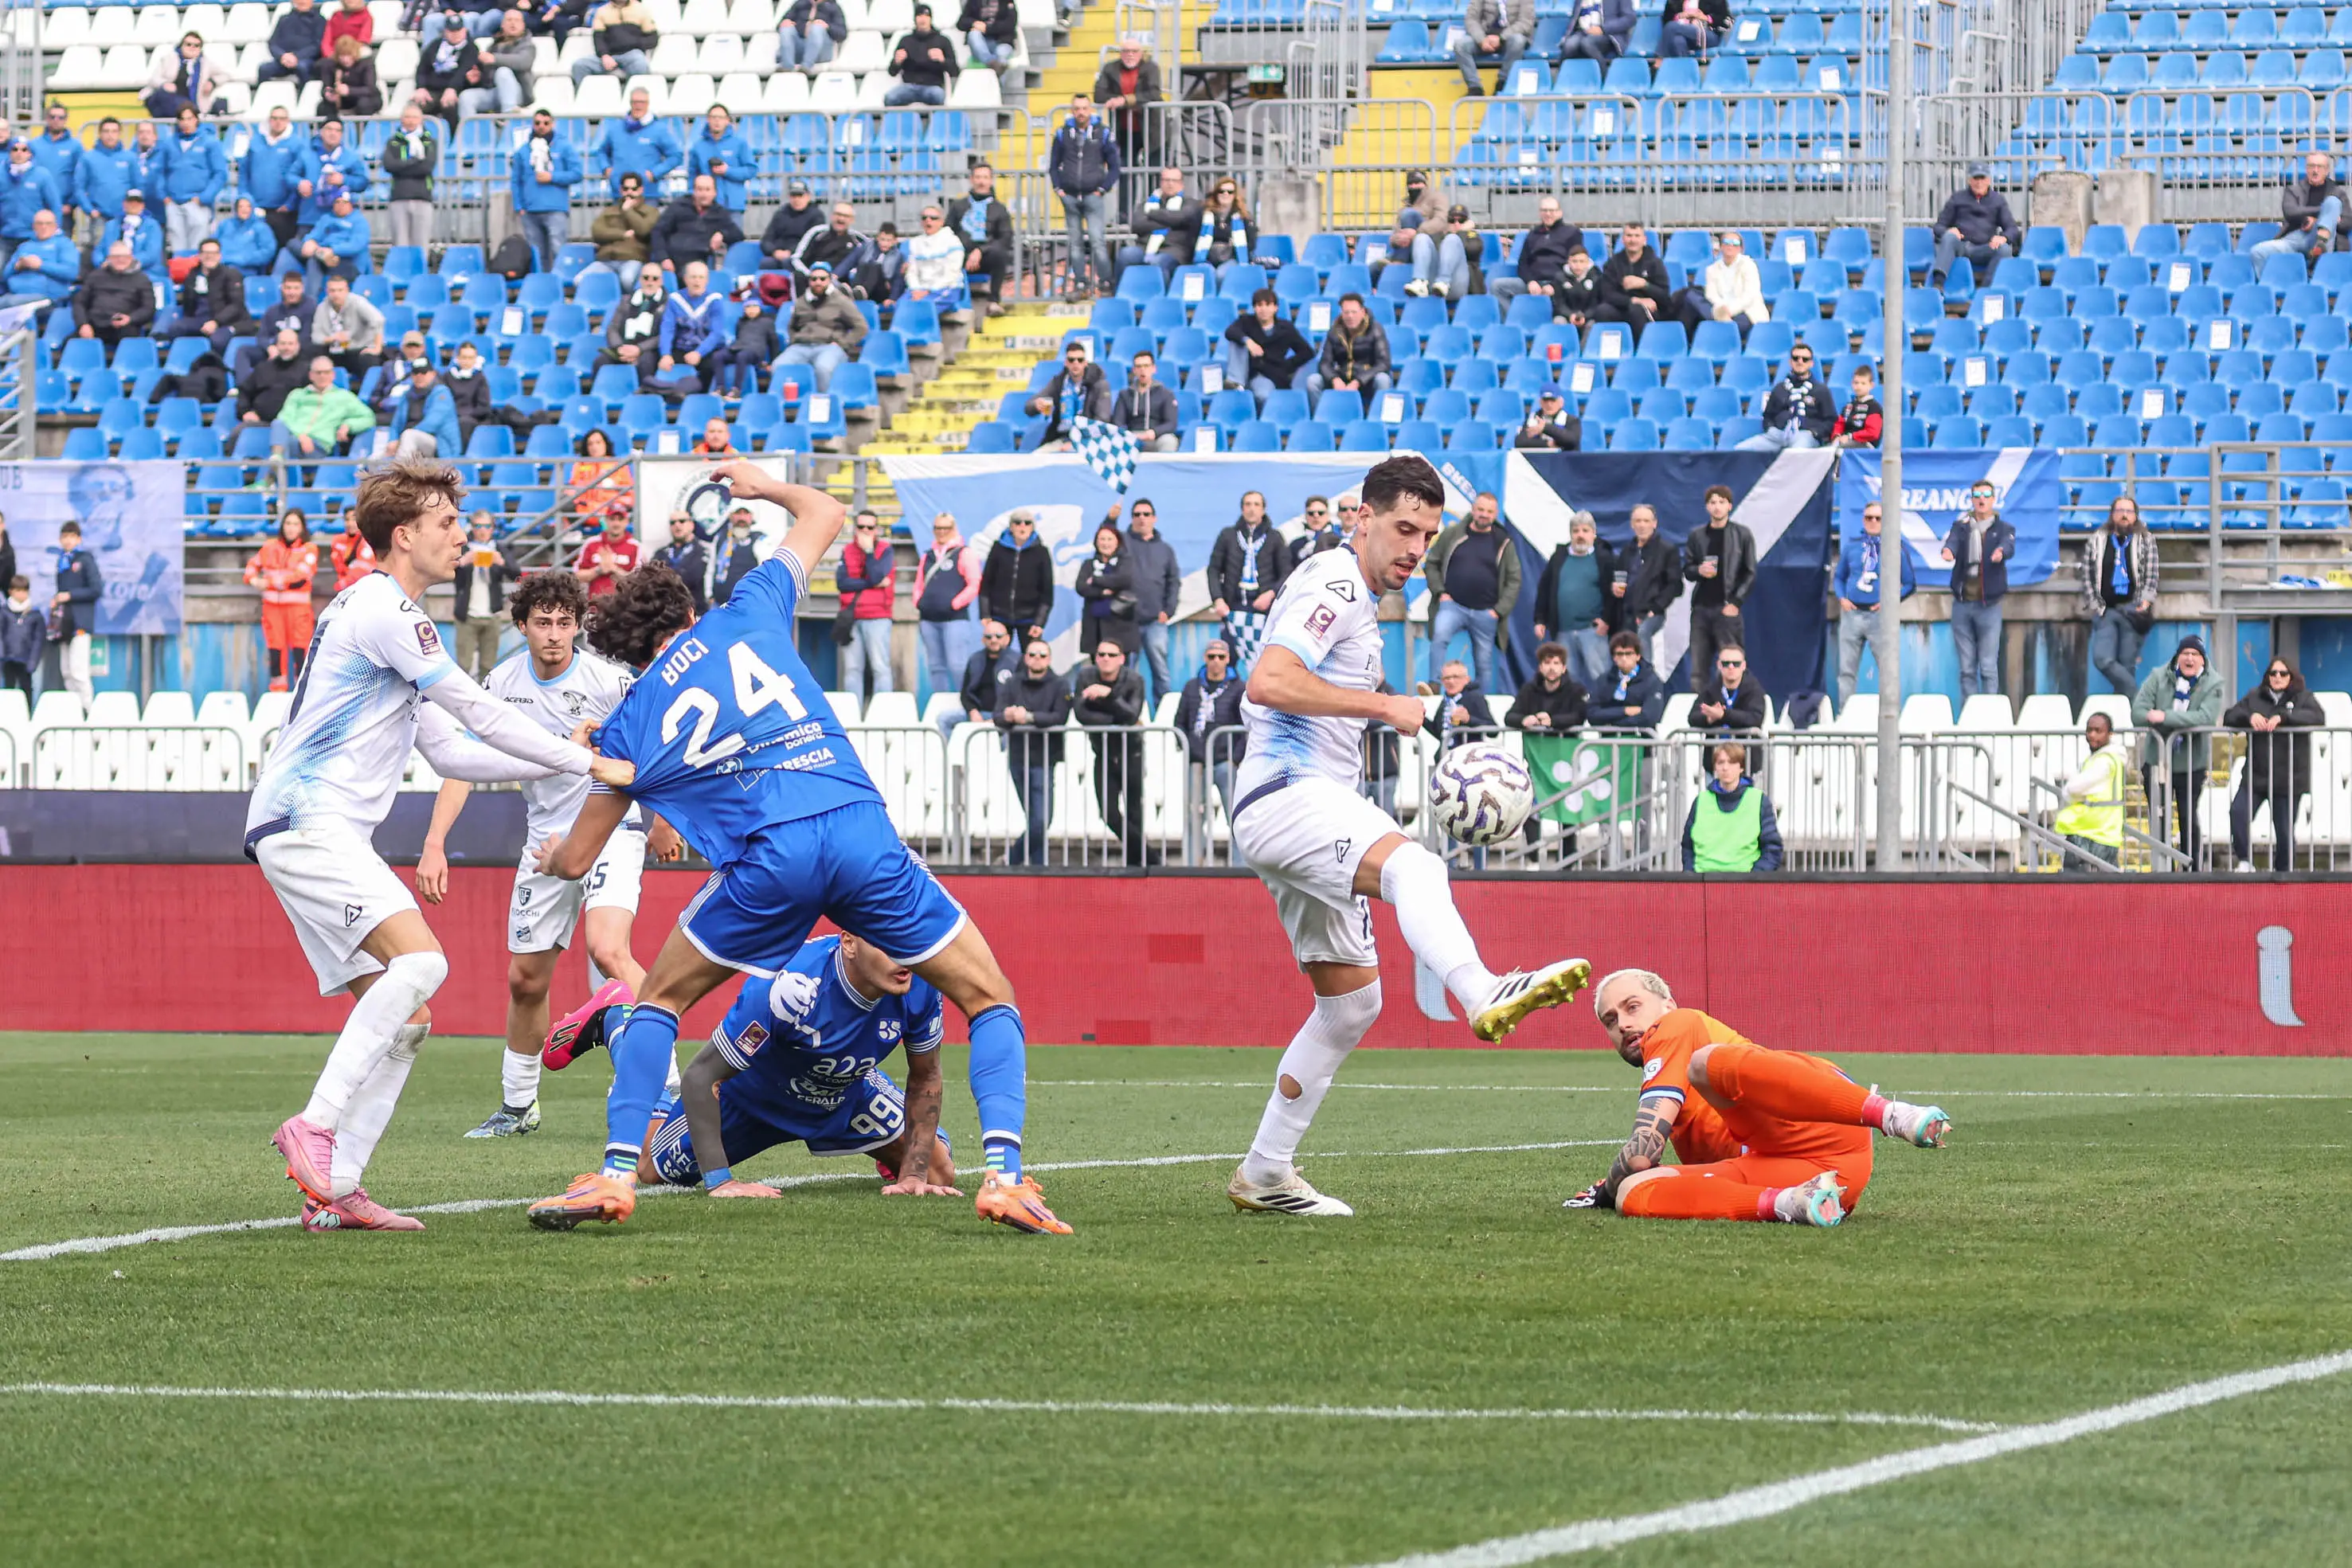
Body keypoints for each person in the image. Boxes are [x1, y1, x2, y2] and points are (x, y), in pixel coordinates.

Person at [522, 466, 1070, 1234]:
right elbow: (825, 508)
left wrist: (549, 854)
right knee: (989, 997)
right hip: (853, 826)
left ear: (624, 658)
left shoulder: (628, 721)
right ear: (687, 605)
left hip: (767, 860)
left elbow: (576, 860)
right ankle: (1007, 1177)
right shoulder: (748, 605)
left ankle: (614, 1176)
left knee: (661, 1001)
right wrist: (755, 483)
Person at [251, 457, 628, 1232]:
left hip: (295, 828)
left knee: (411, 1014)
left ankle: (340, 1189)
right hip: (307, 821)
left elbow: (456, 752)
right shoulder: (392, 611)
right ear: (404, 535)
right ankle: (315, 1126)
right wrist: (588, 759)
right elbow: (476, 710)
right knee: (423, 962)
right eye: (447, 523)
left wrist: (563, 745)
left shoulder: (380, 617)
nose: (462, 535)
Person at [1225, 455, 1590, 1218]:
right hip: (1287, 793)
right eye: (1401, 528)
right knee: (1415, 868)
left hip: (1294, 800)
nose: (1413, 548)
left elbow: (1313, 688)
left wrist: (1392, 702)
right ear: (1361, 515)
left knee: (1350, 1006)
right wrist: (1384, 708)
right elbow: (1268, 681)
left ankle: (1264, 1171)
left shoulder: (1356, 592)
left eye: (1426, 535)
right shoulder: (1333, 582)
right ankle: (1482, 989)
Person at [417, 569, 682, 1140]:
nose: (555, 634)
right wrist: (435, 842)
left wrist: (660, 820)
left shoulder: (609, 680)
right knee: (525, 979)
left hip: (610, 828)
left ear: (579, 625)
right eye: (543, 622)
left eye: (566, 622)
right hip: (544, 842)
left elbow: (652, 750)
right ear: (521, 626)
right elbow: (463, 764)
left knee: (609, 950)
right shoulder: (500, 683)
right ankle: (518, 1106)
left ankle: (669, 1084)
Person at [1566, 970, 1949, 1225]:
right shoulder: (1676, 1091)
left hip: (1826, 1121)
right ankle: (1792, 1204)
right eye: (1610, 1021)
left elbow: (1641, 1154)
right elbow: (1640, 1173)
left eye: (1632, 1007)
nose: (1625, 1025)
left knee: (1705, 1063)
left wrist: (1605, 1187)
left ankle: (1891, 1114)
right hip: (1820, 1178)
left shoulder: (1677, 1024)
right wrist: (1616, 1189)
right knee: (1634, 1193)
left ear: (1668, 1005)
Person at [639, 933, 957, 1192]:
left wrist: (913, 1176)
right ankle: (646, 1065)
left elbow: (926, 1074)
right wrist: (721, 1182)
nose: (903, 956)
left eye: (908, 941)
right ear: (849, 943)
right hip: (751, 1102)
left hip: (843, 1093)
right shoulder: (788, 988)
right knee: (651, 1172)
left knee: (938, 1174)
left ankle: (887, 1151)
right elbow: (701, 1076)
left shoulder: (922, 983)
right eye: (887, 944)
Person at [2225, 658, 2324, 874]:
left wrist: (2284, 718)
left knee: (2284, 832)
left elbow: (2318, 716)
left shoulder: (2303, 698)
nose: (2277, 677)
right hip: (2256, 775)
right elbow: (2230, 716)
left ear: (2291, 676)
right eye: (2273, 673)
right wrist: (2249, 716)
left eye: (2283, 673)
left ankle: (2284, 874)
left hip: (2288, 779)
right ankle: (2244, 860)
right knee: (2238, 812)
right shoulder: (2255, 696)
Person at [2133, 633, 2222, 866]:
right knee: (2159, 818)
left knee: (2187, 817)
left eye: (2195, 654)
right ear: (2178, 656)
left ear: (2203, 660)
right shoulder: (2158, 676)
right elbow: (2138, 713)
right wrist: (2178, 720)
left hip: (2192, 763)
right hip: (2157, 761)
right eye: (2185, 653)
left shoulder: (2213, 683)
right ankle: (2163, 869)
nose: (2190, 659)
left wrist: (2164, 717)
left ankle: (2191, 870)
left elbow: (2206, 717)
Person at [1423, 491, 1515, 693]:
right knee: (1439, 638)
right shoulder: (1453, 534)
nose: (1484, 514)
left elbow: (1514, 580)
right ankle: (1434, 686)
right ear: (1473, 510)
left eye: (1489, 511)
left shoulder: (1503, 542)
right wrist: (1441, 593)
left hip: (1486, 612)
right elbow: (1432, 564)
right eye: (1480, 509)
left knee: (1483, 661)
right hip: (1453, 605)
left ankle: (1479, 700)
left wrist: (1498, 611)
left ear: (1496, 514)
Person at [1833, 499, 1916, 707]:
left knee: (1888, 670)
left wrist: (1889, 603)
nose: (1873, 522)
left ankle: (1889, 717)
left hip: (1880, 617)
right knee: (1846, 671)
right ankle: (1845, 715)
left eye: (1878, 518)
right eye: (1869, 518)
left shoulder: (1895, 548)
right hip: (1852, 614)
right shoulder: (1852, 547)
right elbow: (1839, 576)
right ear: (1863, 519)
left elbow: (1909, 583)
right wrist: (1842, 597)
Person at [1940, 478, 2014, 700]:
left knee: (1989, 666)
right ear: (1972, 500)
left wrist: (2001, 552)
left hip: (1989, 606)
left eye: (1986, 496)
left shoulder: (2003, 528)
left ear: (1993, 500)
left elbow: (2008, 545)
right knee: (1966, 668)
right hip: (1962, 605)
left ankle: (1989, 715)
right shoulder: (1961, 527)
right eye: (1977, 496)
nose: (1981, 501)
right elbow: (1952, 541)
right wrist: (1948, 551)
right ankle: (1969, 716)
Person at [1075, 638, 1148, 865]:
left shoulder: (1134, 679)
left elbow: (1132, 715)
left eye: (1112, 655)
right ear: (1095, 657)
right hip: (1103, 753)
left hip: (1131, 752)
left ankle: (1136, 864)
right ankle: (1152, 857)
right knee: (1108, 813)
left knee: (1135, 813)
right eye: (1102, 654)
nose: (1106, 659)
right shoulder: (1085, 676)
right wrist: (1114, 721)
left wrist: (1109, 695)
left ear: (1122, 659)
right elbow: (1081, 714)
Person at [2080, 494, 2157, 696]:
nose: (2124, 515)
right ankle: (2136, 695)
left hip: (2133, 610)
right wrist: (2095, 605)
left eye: (2129, 511)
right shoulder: (2097, 540)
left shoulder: (2146, 540)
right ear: (2112, 515)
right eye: (2120, 511)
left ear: (2136, 516)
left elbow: (2152, 575)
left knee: (2127, 664)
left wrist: (2145, 603)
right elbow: (2087, 575)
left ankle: (2124, 719)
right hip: (2106, 610)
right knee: (2102, 659)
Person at [1175, 638, 1244, 855]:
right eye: (1212, 656)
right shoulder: (1191, 686)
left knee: (1234, 817)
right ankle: (1193, 865)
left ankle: (1239, 866)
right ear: (1205, 658)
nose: (1216, 661)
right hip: (1197, 762)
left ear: (1228, 660)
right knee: (1193, 815)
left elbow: (1247, 728)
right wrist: (1192, 751)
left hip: (1226, 762)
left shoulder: (1239, 688)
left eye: (1221, 657)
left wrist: (1235, 758)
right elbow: (1180, 723)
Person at [1682, 483, 1754, 693]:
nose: (1717, 507)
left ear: (1730, 506)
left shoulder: (1742, 534)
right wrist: (1699, 570)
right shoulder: (1697, 535)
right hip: (1701, 610)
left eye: (1721, 502)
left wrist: (1736, 602)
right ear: (1706, 507)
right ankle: (1701, 713)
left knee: (1732, 666)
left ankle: (1732, 709)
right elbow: (1687, 570)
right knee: (1698, 669)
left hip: (1727, 610)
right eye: (1712, 503)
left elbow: (1750, 573)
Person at [1209, 490, 1292, 666]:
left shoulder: (1274, 537)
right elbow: (1214, 570)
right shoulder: (1228, 536)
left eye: (1256, 505)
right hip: (1234, 608)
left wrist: (1270, 594)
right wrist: (1218, 599)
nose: (1252, 509)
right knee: (1228, 659)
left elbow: (1287, 572)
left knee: (1263, 661)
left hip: (1263, 610)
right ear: (1242, 509)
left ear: (1263, 509)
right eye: (1248, 504)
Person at [1533, 510, 1612, 692]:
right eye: (1576, 531)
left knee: (1602, 677)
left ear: (1594, 534)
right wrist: (1540, 620)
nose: (1580, 535)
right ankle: (1571, 717)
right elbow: (1544, 589)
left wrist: (1606, 620)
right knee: (1567, 681)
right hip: (1563, 631)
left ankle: (1605, 717)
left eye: (1585, 531)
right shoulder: (1559, 558)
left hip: (1593, 632)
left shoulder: (1604, 559)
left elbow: (1612, 595)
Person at [1049, 96, 1121, 297]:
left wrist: (1103, 189)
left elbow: (1115, 166)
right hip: (1070, 196)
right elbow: (1053, 165)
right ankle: (1080, 282)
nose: (1081, 112)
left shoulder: (1103, 132)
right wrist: (1058, 189)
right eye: (1077, 109)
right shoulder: (1063, 133)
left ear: (1090, 110)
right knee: (1075, 242)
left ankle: (1105, 281)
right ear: (1072, 111)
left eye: (1084, 108)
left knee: (1098, 239)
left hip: (1093, 195)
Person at [244, 512, 319, 693]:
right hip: (272, 610)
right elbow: (252, 566)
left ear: (302, 528)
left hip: (298, 610)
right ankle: (277, 694)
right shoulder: (269, 547)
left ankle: (302, 696)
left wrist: (268, 583)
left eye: (295, 524)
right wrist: (253, 580)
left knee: (301, 653)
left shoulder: (309, 549)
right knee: (275, 653)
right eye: (288, 523)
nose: (291, 528)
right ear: (282, 526)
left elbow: (300, 577)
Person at [1681, 741, 1782, 872]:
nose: (1725, 768)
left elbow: (1772, 848)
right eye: (1721, 762)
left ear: (1741, 767)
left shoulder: (1759, 800)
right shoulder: (1701, 801)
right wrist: (1691, 876)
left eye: (1732, 762)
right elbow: (1687, 846)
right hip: (1703, 882)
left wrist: (1755, 878)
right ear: (1715, 767)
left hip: (1745, 884)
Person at [913, 512, 980, 701]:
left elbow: (974, 583)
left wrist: (954, 604)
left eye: (945, 528)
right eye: (938, 528)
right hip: (929, 618)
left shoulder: (964, 553)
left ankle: (965, 702)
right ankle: (940, 701)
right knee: (935, 666)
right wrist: (918, 601)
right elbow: (919, 583)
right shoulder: (928, 555)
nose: (941, 532)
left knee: (957, 664)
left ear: (953, 529)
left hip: (954, 619)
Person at [1118, 498, 1182, 699]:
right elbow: (1104, 538)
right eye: (1137, 515)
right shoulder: (1122, 544)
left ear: (1154, 518)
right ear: (1131, 518)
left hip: (1156, 620)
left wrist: (1168, 610)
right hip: (1128, 620)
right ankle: (1127, 720)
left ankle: (1163, 721)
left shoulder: (1165, 549)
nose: (1142, 519)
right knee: (1126, 673)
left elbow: (1173, 581)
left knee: (1161, 672)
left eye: (1146, 514)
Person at [1091, 38, 1160, 217]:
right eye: (1126, 51)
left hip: (1152, 129)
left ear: (1141, 53)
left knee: (1155, 172)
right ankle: (1125, 215)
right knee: (1124, 172)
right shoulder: (1110, 68)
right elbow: (1099, 94)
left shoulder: (1151, 68)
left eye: (1134, 51)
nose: (1130, 55)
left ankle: (1154, 212)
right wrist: (1123, 100)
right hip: (1124, 130)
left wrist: (1124, 100)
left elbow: (1153, 93)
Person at [2053, 710, 2128, 871]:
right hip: (2104, 833)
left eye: (2098, 731)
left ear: (2110, 734)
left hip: (2090, 834)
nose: (2092, 735)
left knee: (2075, 888)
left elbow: (2072, 789)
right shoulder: (2106, 758)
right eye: (2089, 730)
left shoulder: (2104, 762)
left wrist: (2070, 795)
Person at [507, 108, 580, 273]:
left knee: (558, 250)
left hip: (556, 208)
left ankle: (560, 284)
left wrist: (552, 177)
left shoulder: (565, 147)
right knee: (537, 254)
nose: (541, 127)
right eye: (537, 123)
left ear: (552, 124)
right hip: (531, 210)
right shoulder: (523, 151)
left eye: (546, 123)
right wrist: (519, 206)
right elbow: (516, 180)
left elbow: (577, 174)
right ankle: (541, 287)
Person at [448, 512, 519, 678]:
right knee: (464, 665)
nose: (482, 530)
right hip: (467, 615)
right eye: (478, 526)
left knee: (488, 666)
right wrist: (462, 562)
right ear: (472, 528)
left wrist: (501, 562)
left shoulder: (498, 548)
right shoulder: (462, 547)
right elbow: (444, 572)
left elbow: (516, 574)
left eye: (487, 526)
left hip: (492, 615)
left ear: (493, 528)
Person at [777, 260, 866, 392]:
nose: (818, 282)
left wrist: (843, 343)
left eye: (822, 279)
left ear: (829, 280)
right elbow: (792, 326)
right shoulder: (802, 301)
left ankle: (823, 404)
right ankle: (784, 407)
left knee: (823, 368)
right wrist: (795, 339)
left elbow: (861, 327)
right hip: (801, 346)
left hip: (829, 346)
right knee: (779, 366)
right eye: (814, 279)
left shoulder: (841, 301)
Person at [1929, 162, 2021, 287]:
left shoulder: (1997, 200)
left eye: (1982, 178)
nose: (1979, 183)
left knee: (2005, 249)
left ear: (1988, 180)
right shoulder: (1957, 198)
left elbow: (2012, 229)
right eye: (1975, 178)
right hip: (1961, 246)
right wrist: (1948, 231)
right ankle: (1938, 284)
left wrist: (2003, 238)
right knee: (1948, 237)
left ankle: (1985, 290)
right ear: (1969, 180)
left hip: (1985, 248)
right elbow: (1938, 227)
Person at [838, 510, 897, 703]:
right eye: (861, 527)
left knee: (880, 667)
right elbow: (842, 583)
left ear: (877, 530)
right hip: (852, 615)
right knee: (853, 669)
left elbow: (877, 576)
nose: (865, 531)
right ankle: (853, 714)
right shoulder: (847, 550)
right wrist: (870, 583)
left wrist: (870, 552)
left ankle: (882, 715)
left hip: (878, 616)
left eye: (870, 527)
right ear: (855, 529)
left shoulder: (885, 550)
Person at [2252, 151, 2350, 266]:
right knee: (2257, 252)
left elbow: (2348, 222)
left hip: (2326, 238)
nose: (2315, 171)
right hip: (2296, 237)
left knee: (2333, 202)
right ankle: (2272, 282)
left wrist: (2322, 221)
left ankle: (2319, 249)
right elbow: (2291, 212)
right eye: (2312, 166)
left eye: (2320, 167)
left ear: (2327, 170)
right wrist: (2327, 214)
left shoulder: (2338, 193)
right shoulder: (2293, 190)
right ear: (2306, 169)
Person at [273, 354, 375, 459]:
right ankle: (276, 461)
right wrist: (301, 436)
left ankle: (275, 465)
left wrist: (348, 425)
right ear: (311, 375)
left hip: (319, 445)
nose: (322, 376)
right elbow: (285, 418)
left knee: (289, 445)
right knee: (278, 424)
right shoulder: (298, 394)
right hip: (295, 438)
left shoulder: (344, 397)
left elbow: (369, 417)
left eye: (326, 372)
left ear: (333, 375)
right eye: (318, 373)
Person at [945, 162, 1014, 315]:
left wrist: (980, 251)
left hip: (987, 256)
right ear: (971, 179)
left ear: (991, 180)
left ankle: (994, 302)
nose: (981, 181)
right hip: (961, 255)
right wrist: (962, 252)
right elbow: (948, 233)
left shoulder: (999, 209)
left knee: (999, 253)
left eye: (985, 177)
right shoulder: (958, 206)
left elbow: (1005, 238)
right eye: (978, 177)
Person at [1301, 292, 1392, 407]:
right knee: (1313, 381)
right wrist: (1334, 379)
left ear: (1363, 312)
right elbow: (1324, 363)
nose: (1350, 316)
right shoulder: (1335, 331)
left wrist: (1358, 381)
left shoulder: (1376, 329)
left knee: (1383, 380)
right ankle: (1321, 416)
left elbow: (1384, 363)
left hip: (1367, 379)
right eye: (1346, 312)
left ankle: (1376, 419)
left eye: (1354, 312)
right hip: (1342, 377)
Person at [654, 256, 728, 397]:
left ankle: (685, 393)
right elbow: (667, 328)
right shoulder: (675, 300)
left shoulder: (714, 300)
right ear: (686, 279)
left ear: (707, 280)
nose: (697, 281)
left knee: (712, 364)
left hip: (706, 351)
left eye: (701, 277)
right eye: (693, 277)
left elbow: (716, 333)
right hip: (682, 348)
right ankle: (669, 390)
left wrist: (699, 352)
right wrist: (665, 354)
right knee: (656, 360)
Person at [1737, 344, 1835, 450]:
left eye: (1805, 359)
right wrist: (1770, 429)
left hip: (1805, 436)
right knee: (1741, 450)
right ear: (1790, 362)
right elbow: (1768, 415)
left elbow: (1831, 420)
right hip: (1777, 435)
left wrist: (1814, 432)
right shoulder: (1780, 388)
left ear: (1811, 364)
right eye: (1796, 358)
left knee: (1795, 452)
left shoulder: (1821, 390)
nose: (1800, 361)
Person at [1117, 166, 1201, 287]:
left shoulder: (1191, 204)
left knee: (1158, 262)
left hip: (1173, 251)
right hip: (1144, 248)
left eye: (1174, 181)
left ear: (1182, 184)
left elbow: (1182, 218)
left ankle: (1158, 300)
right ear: (1161, 182)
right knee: (1127, 254)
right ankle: (1120, 295)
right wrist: (1170, 220)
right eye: (1166, 180)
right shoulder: (1148, 203)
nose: (1170, 184)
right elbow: (1137, 225)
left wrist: (1152, 214)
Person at [591, 86, 682, 198]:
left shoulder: (659, 130)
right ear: (630, 103)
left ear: (648, 104)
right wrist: (607, 169)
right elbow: (601, 152)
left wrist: (655, 174)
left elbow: (676, 156)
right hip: (619, 194)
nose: (638, 105)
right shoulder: (616, 129)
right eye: (635, 102)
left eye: (642, 102)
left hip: (647, 195)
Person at [1673, 230, 1767, 338]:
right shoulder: (1712, 269)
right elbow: (1711, 294)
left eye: (1735, 243)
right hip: (1718, 311)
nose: (1730, 246)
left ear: (1741, 248)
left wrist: (1729, 310)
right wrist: (1720, 309)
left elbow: (1749, 296)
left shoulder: (1749, 266)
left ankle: (1720, 323)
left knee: (1733, 324)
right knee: (1691, 295)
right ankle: (1718, 322)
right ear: (1721, 247)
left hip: (1745, 313)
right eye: (1726, 242)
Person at [977, 508, 1052, 643]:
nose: (1022, 526)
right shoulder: (998, 549)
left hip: (1029, 617)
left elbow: (1047, 591)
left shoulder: (1041, 552)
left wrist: (1040, 622)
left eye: (1027, 523)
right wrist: (985, 613)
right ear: (1011, 527)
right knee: (998, 659)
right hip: (999, 615)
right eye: (1018, 523)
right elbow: (986, 583)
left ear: (1032, 528)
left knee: (1031, 658)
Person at [650, 174, 743, 281]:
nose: (704, 194)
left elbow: (738, 235)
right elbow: (658, 232)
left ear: (715, 193)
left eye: (708, 190)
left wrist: (722, 234)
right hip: (672, 262)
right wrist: (663, 258)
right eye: (700, 189)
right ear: (694, 191)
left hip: (701, 263)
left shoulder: (720, 213)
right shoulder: (678, 207)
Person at [1224, 287, 1313, 398]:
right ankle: (1235, 384)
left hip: (1269, 375)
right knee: (1237, 340)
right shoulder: (1246, 321)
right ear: (1254, 308)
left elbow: (1307, 352)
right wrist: (1248, 342)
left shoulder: (1286, 328)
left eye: (1268, 305)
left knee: (1263, 395)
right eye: (1259, 305)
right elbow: (1230, 332)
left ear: (1275, 308)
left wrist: (1286, 366)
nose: (1263, 309)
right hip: (1248, 371)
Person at [48, 522, 101, 706]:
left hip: (80, 623)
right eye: (64, 537)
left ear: (79, 539)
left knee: (79, 671)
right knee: (67, 672)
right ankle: (74, 711)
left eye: (72, 536)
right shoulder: (62, 561)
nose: (67, 540)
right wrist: (57, 600)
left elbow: (96, 590)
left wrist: (70, 595)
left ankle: (88, 712)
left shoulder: (85, 559)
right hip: (65, 624)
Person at [376, 105, 440, 254]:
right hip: (399, 197)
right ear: (401, 119)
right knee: (400, 245)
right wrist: (416, 160)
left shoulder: (430, 142)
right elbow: (389, 165)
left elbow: (427, 167)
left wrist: (402, 167)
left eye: (414, 117)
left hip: (422, 197)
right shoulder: (392, 142)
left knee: (421, 245)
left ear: (421, 120)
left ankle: (420, 275)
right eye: (407, 117)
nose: (411, 121)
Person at [1490, 196, 1573, 308]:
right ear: (1540, 213)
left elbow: (1574, 264)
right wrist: (1530, 282)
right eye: (1544, 210)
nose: (1548, 214)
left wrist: (1555, 285)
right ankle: (1513, 321)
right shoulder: (1533, 234)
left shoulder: (1572, 233)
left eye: (1552, 210)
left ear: (1560, 212)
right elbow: (1523, 263)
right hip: (1533, 283)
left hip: (1559, 283)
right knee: (1497, 286)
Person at [1074, 521, 1139, 659]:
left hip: (1121, 626)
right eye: (1102, 539)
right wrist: (1102, 592)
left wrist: (1096, 580)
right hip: (1094, 627)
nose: (1105, 543)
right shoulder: (1088, 564)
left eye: (1110, 539)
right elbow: (1081, 587)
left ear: (1117, 542)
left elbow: (1123, 580)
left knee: (1122, 670)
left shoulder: (1125, 562)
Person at [1025, 341, 1108, 448]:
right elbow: (1028, 407)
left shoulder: (1099, 384)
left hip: (1088, 441)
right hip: (1060, 439)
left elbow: (1102, 420)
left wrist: (1076, 442)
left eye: (1080, 360)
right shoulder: (1058, 382)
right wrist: (1036, 405)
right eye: (1071, 360)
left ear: (1085, 363)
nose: (1076, 363)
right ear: (1066, 363)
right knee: (1036, 458)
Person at [595, 267, 668, 386]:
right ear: (640, 280)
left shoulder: (668, 304)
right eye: (646, 278)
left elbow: (664, 335)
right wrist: (620, 348)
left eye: (655, 279)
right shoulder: (626, 301)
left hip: (648, 350)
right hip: (623, 347)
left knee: (646, 362)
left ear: (661, 281)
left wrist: (639, 349)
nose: (650, 282)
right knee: (600, 361)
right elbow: (613, 328)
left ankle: (643, 396)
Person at [72, 240, 152, 347]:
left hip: (125, 326)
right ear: (109, 258)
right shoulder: (95, 276)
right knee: (70, 344)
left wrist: (130, 319)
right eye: (116, 257)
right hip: (95, 324)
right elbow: (79, 303)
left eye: (124, 257)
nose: (120, 260)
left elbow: (148, 308)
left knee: (130, 340)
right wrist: (83, 324)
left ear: (131, 258)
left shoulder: (142, 279)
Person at [1599, 221, 1670, 342]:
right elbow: (1607, 294)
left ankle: (1642, 349)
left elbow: (1664, 296)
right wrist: (1633, 300)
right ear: (1623, 239)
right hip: (1622, 306)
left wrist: (1644, 285)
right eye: (1629, 236)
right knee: (1603, 310)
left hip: (1649, 311)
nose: (1633, 240)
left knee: (1636, 310)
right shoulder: (1613, 263)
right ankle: (1613, 352)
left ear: (1644, 239)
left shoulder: (1655, 263)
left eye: (1637, 236)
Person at [704, 287, 777, 398]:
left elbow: (773, 342)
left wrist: (771, 362)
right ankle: (720, 388)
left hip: (754, 352)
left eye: (754, 306)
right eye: (748, 307)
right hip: (738, 348)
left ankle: (736, 389)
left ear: (760, 307)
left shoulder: (767, 322)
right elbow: (738, 337)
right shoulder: (741, 322)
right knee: (718, 356)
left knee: (741, 356)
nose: (751, 310)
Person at [1505, 640, 1586, 741]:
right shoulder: (1529, 689)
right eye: (1547, 663)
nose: (1552, 668)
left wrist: (1552, 721)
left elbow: (1579, 717)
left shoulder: (1576, 690)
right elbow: (1509, 717)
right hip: (1536, 749)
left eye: (1556, 663)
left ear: (1564, 668)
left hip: (1567, 746)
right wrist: (1524, 720)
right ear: (1541, 668)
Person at [588, 172, 656, 288]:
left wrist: (628, 211)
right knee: (581, 280)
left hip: (633, 259)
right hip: (606, 259)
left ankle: (626, 305)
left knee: (627, 280)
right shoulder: (609, 211)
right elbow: (597, 232)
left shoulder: (650, 211)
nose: (629, 192)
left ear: (641, 190)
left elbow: (643, 230)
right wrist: (623, 234)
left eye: (634, 189)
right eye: (626, 189)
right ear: (621, 190)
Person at [299, 190, 372, 299]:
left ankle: (311, 299)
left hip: (348, 262)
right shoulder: (326, 218)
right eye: (337, 202)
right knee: (298, 249)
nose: (340, 206)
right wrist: (309, 241)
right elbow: (314, 234)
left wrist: (332, 250)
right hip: (322, 257)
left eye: (344, 203)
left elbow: (356, 245)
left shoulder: (359, 221)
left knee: (314, 259)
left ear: (351, 204)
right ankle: (312, 299)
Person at [310, 272, 383, 381]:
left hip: (357, 349)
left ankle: (369, 395)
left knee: (369, 359)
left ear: (347, 290)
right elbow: (316, 337)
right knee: (311, 357)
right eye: (332, 290)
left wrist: (377, 348)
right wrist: (333, 338)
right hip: (333, 350)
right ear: (327, 292)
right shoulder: (322, 308)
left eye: (340, 290)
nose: (336, 294)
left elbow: (378, 320)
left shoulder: (358, 302)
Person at [416, 16, 489, 125]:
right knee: (414, 105)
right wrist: (421, 87)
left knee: (450, 104)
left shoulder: (471, 48)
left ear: (464, 30)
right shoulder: (435, 45)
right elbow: (422, 68)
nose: (455, 34)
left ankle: (453, 139)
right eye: (451, 31)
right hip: (433, 90)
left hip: (458, 90)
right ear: (445, 31)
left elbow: (463, 71)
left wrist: (452, 88)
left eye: (458, 30)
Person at [956, 616, 1019, 741]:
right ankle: (951, 758)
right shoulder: (975, 660)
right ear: (983, 640)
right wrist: (973, 712)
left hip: (1005, 718)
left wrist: (999, 719)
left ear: (1007, 639)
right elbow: (965, 694)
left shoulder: (1018, 661)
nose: (993, 640)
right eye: (989, 637)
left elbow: (1022, 696)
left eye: (998, 636)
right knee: (944, 719)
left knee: (1011, 737)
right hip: (979, 715)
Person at [1102, 350, 1179, 452]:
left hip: (1156, 437)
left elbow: (1171, 424)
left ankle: (1164, 468)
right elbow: (1118, 422)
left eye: (1146, 366)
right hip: (1132, 438)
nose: (1143, 370)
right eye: (1139, 367)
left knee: (1169, 441)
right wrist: (1129, 435)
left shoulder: (1166, 394)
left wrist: (1153, 433)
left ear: (1154, 369)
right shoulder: (1125, 394)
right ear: (1134, 370)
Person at [884, 4, 960, 106]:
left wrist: (942, 60)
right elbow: (892, 72)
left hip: (932, 86)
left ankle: (936, 122)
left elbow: (955, 71)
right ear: (915, 19)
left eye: (926, 16)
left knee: (938, 95)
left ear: (931, 19)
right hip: (909, 86)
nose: (923, 19)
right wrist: (897, 62)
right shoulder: (906, 40)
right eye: (919, 16)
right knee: (890, 97)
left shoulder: (942, 40)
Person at [1591, 629, 1667, 730]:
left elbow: (1650, 717)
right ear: (1614, 657)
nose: (1624, 658)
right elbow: (1592, 714)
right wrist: (1625, 711)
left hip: (1642, 740)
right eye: (1619, 654)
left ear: (1638, 656)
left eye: (1629, 653)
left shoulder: (1652, 680)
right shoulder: (1603, 680)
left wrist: (1612, 724)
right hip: (1608, 740)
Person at [385, 358, 461, 458]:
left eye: (423, 372)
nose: (419, 376)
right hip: (407, 443)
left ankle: (400, 473)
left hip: (439, 444)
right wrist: (392, 440)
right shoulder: (407, 395)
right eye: (416, 373)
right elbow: (396, 424)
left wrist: (400, 441)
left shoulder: (442, 393)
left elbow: (432, 423)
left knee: (409, 436)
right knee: (375, 459)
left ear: (433, 374)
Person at [1454, 0, 1534, 94]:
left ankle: (1503, 82)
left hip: (1509, 37)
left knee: (1518, 41)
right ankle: (1475, 87)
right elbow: (1471, 19)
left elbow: (1526, 22)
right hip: (1485, 37)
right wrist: (1481, 39)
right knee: (1460, 45)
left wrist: (1501, 38)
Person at [570, 0, 659, 86]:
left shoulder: (641, 10)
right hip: (609, 56)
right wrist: (604, 55)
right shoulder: (602, 11)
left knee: (640, 64)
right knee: (580, 66)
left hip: (632, 54)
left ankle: (634, 98)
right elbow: (598, 38)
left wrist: (634, 44)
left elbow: (652, 38)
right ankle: (589, 97)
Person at [685, 104, 750, 218]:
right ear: (708, 120)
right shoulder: (698, 146)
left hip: (732, 205)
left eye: (720, 117)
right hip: (705, 205)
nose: (717, 121)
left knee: (733, 236)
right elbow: (692, 175)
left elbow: (751, 170)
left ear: (727, 121)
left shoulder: (740, 144)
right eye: (713, 117)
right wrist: (693, 198)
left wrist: (728, 171)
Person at [1425, 658, 1497, 761]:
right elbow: (1440, 732)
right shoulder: (1446, 700)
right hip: (1445, 758)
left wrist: (1469, 720)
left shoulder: (1475, 697)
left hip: (1468, 760)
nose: (1451, 681)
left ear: (1466, 679)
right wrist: (1422, 718)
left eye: (1456, 677)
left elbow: (1493, 730)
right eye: (1446, 678)